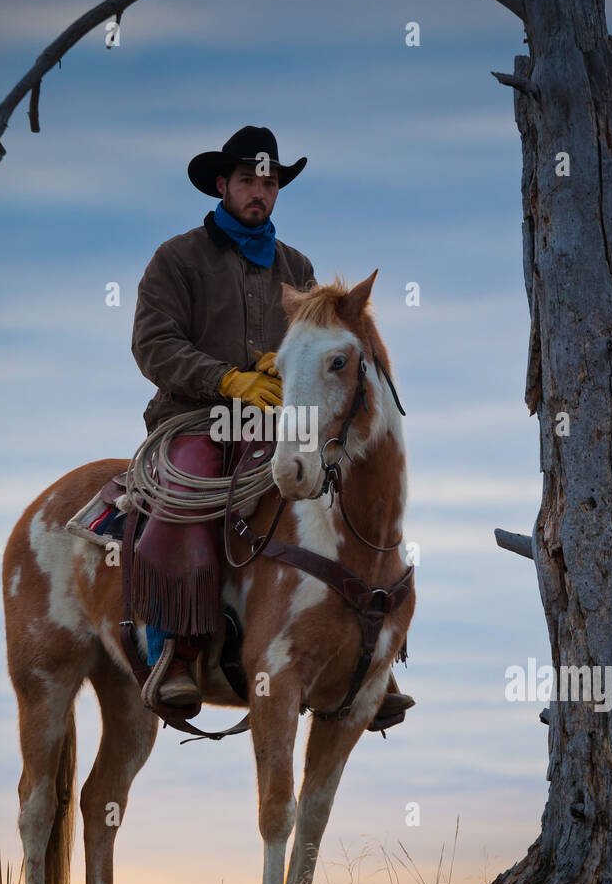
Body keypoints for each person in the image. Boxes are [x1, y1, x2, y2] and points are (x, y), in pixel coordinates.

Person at [130, 125, 412, 731]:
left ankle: (371, 650)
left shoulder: (297, 266)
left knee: (346, 486)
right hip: (195, 419)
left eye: (270, 182)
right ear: (221, 184)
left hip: (278, 421)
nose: (260, 192)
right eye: (248, 181)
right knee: (191, 492)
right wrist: (227, 379)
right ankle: (177, 650)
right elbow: (152, 345)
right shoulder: (177, 259)